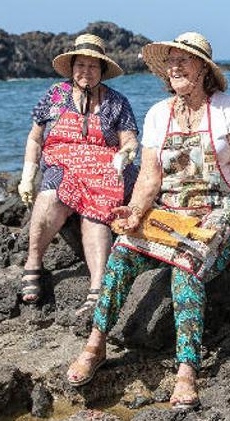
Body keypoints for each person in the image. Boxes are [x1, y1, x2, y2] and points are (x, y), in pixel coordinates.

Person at [65, 32, 230, 409]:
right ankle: (96, 344)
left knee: (185, 268)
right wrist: (135, 211)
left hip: (218, 213)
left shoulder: (229, 108)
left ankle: (187, 370)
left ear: (204, 70)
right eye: (170, 61)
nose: (175, 67)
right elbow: (150, 179)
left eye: (184, 60)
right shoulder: (158, 114)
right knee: (123, 252)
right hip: (169, 213)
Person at [17, 34, 140, 312]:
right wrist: (28, 175)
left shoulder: (117, 102)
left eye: (93, 66)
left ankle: (98, 287)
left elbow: (129, 139)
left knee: (97, 207)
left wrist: (127, 153)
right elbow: (35, 139)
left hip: (105, 168)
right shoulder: (55, 94)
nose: (86, 71)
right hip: (63, 164)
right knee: (49, 195)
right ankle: (33, 263)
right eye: (81, 65)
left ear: (102, 70)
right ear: (72, 67)